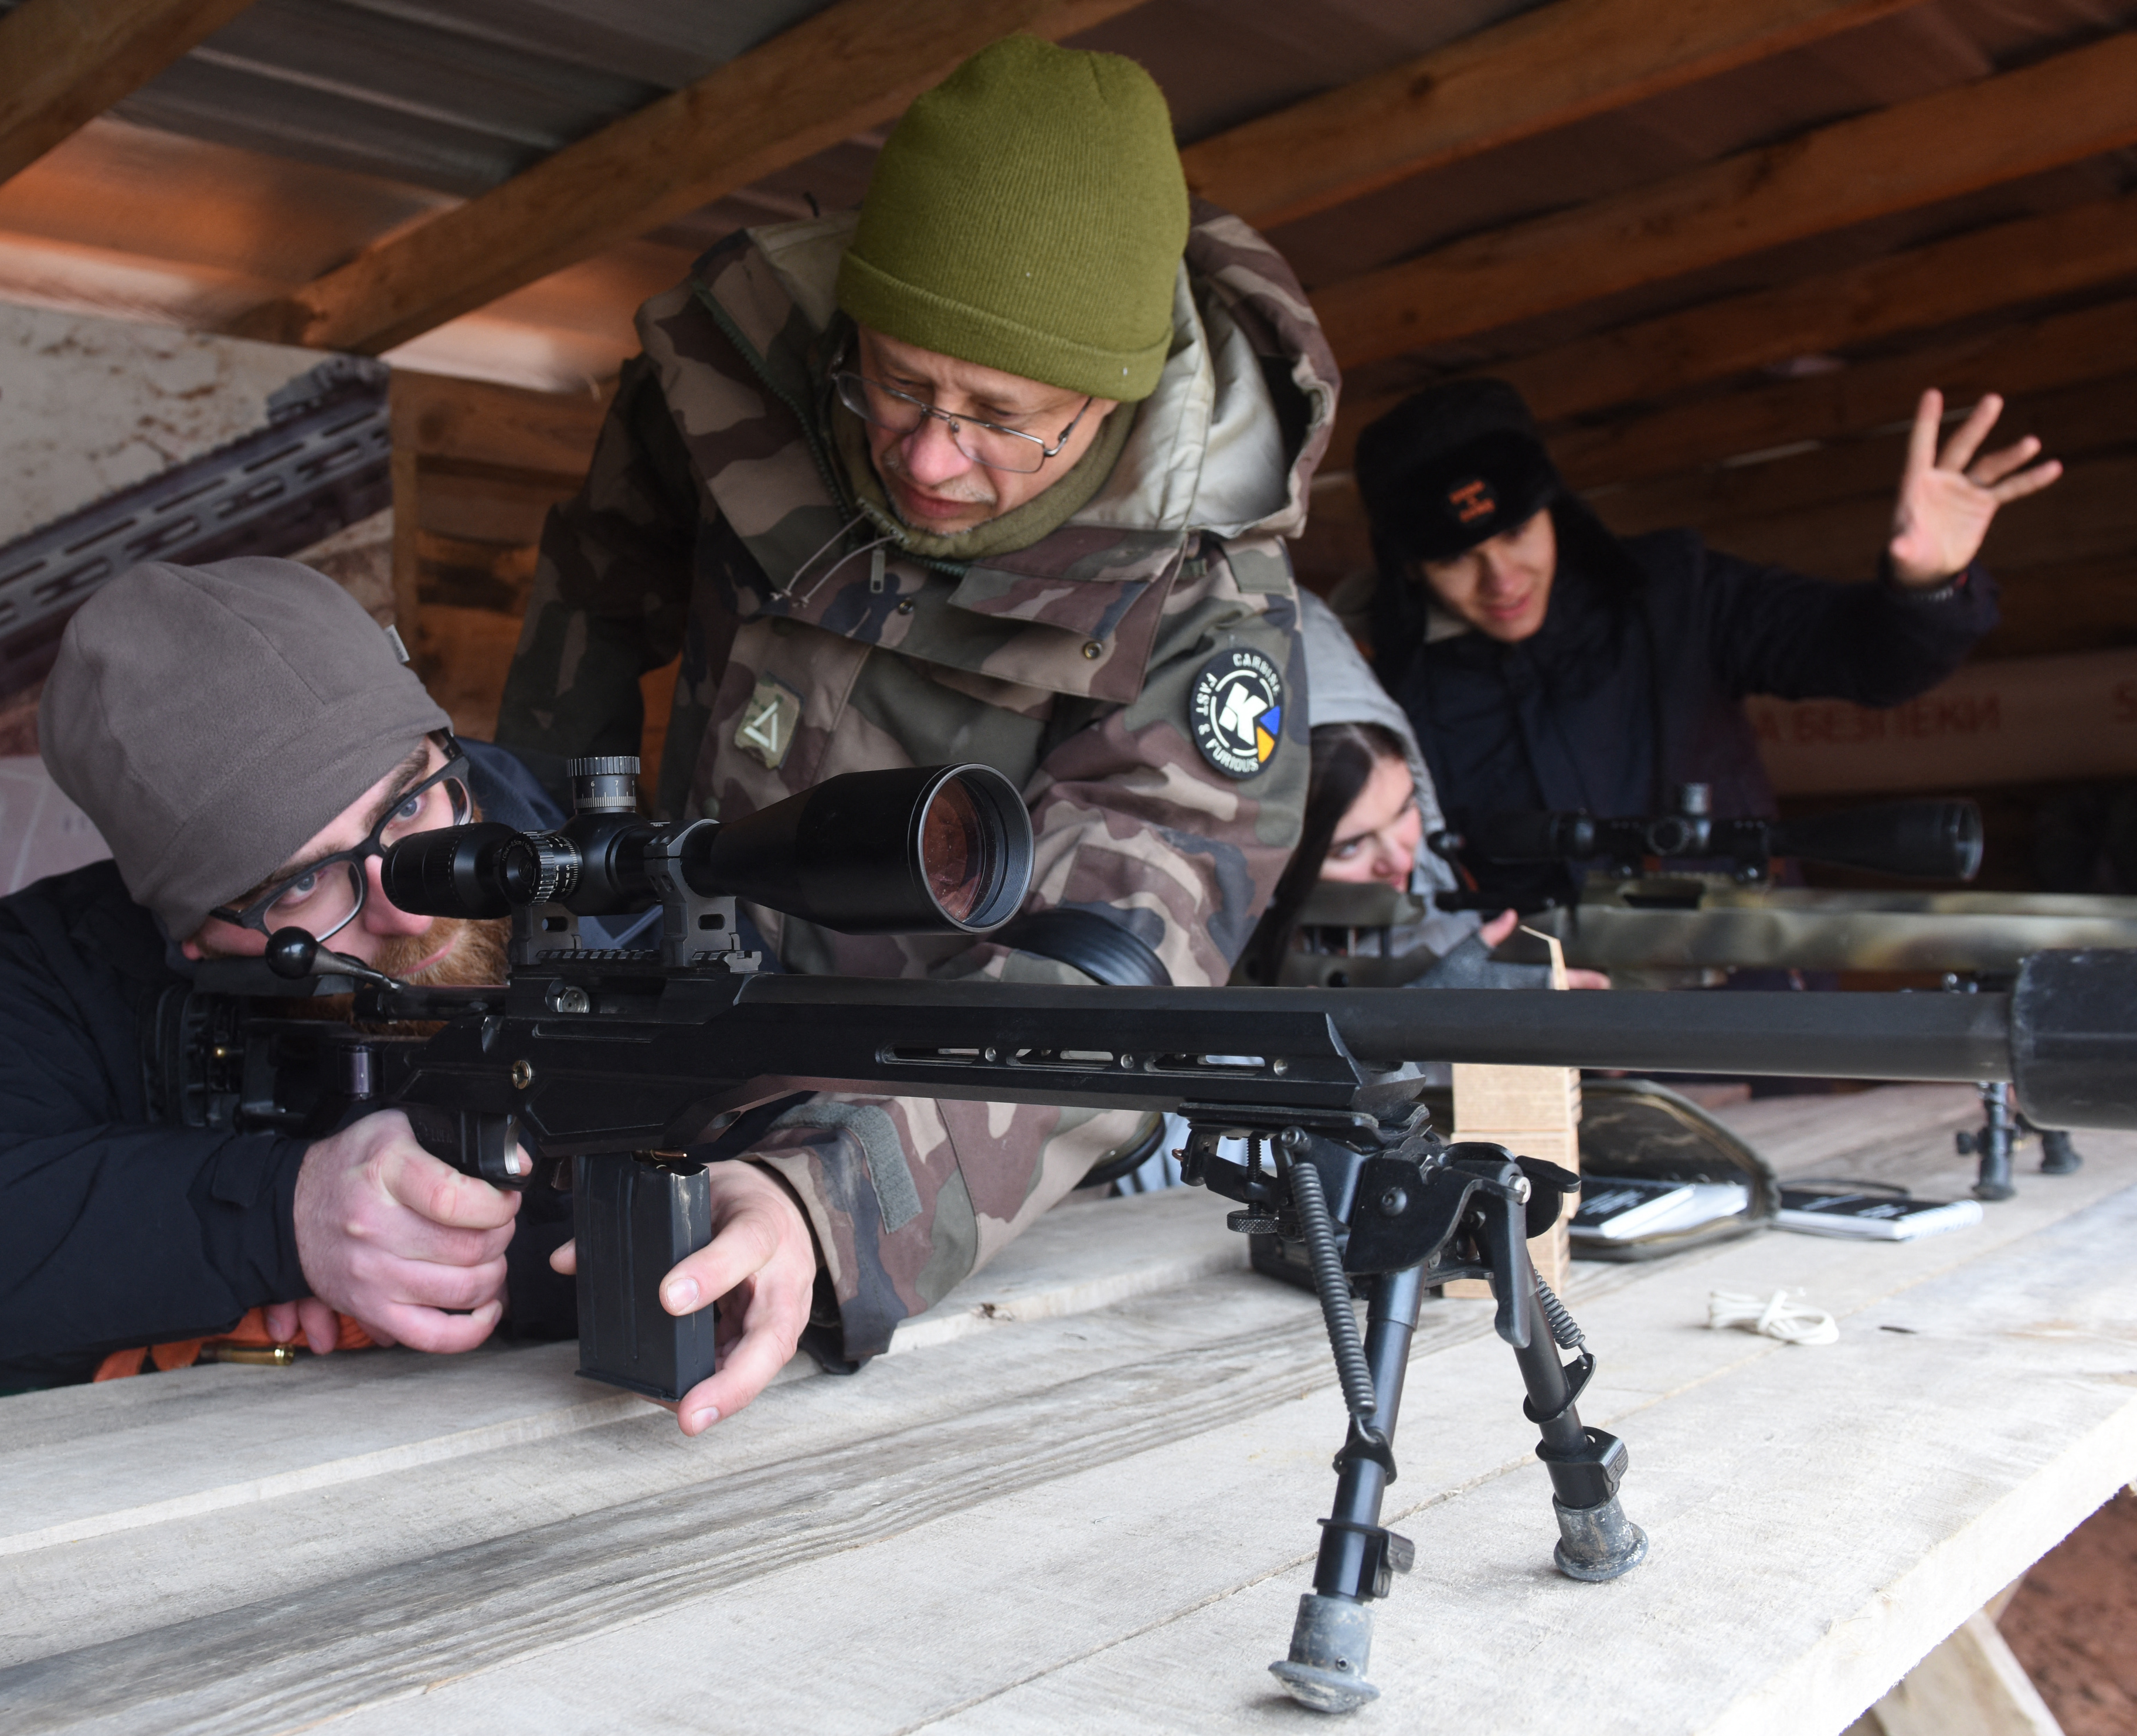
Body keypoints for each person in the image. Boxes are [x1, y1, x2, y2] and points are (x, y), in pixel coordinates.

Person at [492, 35, 1338, 1380]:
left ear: (1110, 402)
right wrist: (532, 917)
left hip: (939, 1146)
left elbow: (1108, 969)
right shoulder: (737, 365)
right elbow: (591, 604)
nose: (931, 457)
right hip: (655, 1036)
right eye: (894, 383)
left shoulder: (1207, 612)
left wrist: (830, 1200)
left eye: (1000, 416)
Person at [0, 558, 811, 1435]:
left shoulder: (638, 889)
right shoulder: (71, 962)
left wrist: (796, 1201)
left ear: (442, 748)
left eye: (408, 804)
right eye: (302, 884)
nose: (408, 905)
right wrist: (278, 1215)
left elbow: (848, 1094)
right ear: (191, 936)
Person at [1346, 379, 2060, 908]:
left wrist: (1925, 585)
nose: (1501, 579)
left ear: (1552, 508)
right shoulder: (1385, 693)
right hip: (1545, 1033)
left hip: (1751, 1004)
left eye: (1516, 533)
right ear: (1410, 569)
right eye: (1455, 558)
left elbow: (1865, 660)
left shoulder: (1675, 592)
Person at [1239, 592, 1608, 990]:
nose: (1401, 860)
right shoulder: (1216, 954)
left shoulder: (1445, 925)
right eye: (1349, 848)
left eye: (1406, 809)